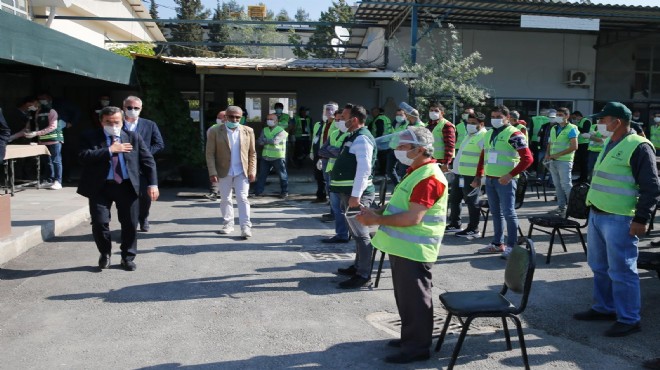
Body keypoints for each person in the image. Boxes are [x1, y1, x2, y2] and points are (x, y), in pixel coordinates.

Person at [357, 126, 447, 364]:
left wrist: (375, 219)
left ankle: (417, 347)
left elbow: (412, 218)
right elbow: (401, 206)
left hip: (414, 250)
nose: (397, 150)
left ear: (418, 150)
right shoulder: (416, 171)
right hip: (403, 248)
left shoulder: (429, 177)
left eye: (403, 146)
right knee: (407, 298)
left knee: (415, 300)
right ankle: (411, 337)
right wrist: (377, 211)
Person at [574, 102, 660, 337]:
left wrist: (641, 218)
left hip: (620, 218)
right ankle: (604, 307)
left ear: (617, 122)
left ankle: (629, 318)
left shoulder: (639, 146)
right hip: (598, 214)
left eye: (602, 120)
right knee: (599, 267)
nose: (598, 124)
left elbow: (651, 187)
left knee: (622, 270)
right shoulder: (610, 142)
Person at [77, 106, 159, 271]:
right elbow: (83, 157)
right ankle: (105, 253)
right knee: (100, 223)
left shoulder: (132, 137)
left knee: (129, 223)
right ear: (101, 122)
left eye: (116, 122)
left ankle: (127, 257)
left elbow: (148, 161)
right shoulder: (90, 137)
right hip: (100, 187)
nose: (113, 125)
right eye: (108, 122)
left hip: (126, 186)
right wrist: (109, 150)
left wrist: (153, 184)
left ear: (122, 121)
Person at [473, 105, 533, 259]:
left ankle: (512, 246)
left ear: (507, 118)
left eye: (499, 117)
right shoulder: (489, 133)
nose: (495, 119)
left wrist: (510, 175)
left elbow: (528, 158)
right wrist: (478, 175)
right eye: (493, 116)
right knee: (496, 213)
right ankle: (497, 243)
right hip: (491, 179)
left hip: (506, 181)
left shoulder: (514, 134)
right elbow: (483, 155)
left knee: (508, 213)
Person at [330, 104, 377, 289]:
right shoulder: (353, 136)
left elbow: (364, 170)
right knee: (356, 234)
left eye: (343, 117)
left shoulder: (362, 139)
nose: (340, 120)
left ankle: (363, 275)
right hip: (348, 193)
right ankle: (358, 267)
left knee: (361, 234)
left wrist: (356, 196)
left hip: (356, 194)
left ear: (354, 119)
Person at [206, 106, 257, 239]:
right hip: (223, 171)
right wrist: (212, 172)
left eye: (237, 117)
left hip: (242, 171)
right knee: (225, 198)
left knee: (243, 197)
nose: (234, 119)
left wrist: (252, 170)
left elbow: (252, 153)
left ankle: (246, 226)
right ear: (225, 117)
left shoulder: (248, 131)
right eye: (231, 116)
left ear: (241, 118)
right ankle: (228, 224)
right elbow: (209, 153)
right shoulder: (215, 131)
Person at [122, 96, 164, 232]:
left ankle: (143, 217)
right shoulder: (117, 124)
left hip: (142, 167)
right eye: (129, 107)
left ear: (141, 109)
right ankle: (129, 222)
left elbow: (159, 144)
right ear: (123, 108)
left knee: (145, 196)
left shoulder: (149, 124)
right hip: (122, 165)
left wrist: (144, 154)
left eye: (136, 108)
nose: (132, 110)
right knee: (125, 196)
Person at [447, 112, 487, 237]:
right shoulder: (469, 135)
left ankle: (473, 228)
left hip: (472, 176)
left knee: (472, 202)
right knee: (454, 199)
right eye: (468, 123)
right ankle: (455, 223)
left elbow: (485, 159)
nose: (469, 125)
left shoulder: (483, 136)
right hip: (460, 174)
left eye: (473, 123)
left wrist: (480, 177)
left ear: (481, 124)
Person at [319, 110, 350, 243]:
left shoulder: (351, 135)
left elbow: (343, 154)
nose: (338, 122)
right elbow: (322, 150)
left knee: (346, 208)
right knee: (336, 207)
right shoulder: (334, 133)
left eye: (341, 119)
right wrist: (334, 151)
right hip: (332, 172)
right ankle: (341, 234)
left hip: (344, 175)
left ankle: (350, 233)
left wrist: (331, 150)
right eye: (337, 120)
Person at [25, 93, 64, 190]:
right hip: (43, 141)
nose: (41, 101)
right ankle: (49, 179)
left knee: (56, 160)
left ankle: (58, 181)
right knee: (47, 162)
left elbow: (53, 127)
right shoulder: (37, 112)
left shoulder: (52, 111)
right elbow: (31, 127)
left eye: (43, 99)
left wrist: (36, 133)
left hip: (54, 140)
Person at [545, 107, 578, 217]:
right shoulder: (554, 128)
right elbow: (550, 143)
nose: (558, 117)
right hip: (553, 160)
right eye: (557, 115)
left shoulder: (572, 128)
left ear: (567, 116)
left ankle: (573, 208)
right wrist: (547, 154)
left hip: (564, 161)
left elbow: (574, 146)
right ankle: (561, 207)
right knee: (557, 185)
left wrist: (557, 155)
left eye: (560, 115)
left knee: (566, 185)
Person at [310, 102, 339, 206]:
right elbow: (314, 138)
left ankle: (332, 200)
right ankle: (321, 196)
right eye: (327, 110)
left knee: (329, 178)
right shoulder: (318, 124)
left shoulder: (336, 124)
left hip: (329, 154)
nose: (329, 112)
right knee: (318, 176)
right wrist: (312, 152)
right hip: (318, 152)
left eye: (332, 110)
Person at [254, 113, 289, 198]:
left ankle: (284, 192)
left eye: (271, 119)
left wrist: (265, 140)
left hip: (278, 157)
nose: (269, 121)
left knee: (282, 175)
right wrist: (268, 140)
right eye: (268, 119)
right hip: (265, 156)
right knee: (262, 175)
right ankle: (258, 192)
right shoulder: (265, 129)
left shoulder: (282, 131)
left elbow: (275, 141)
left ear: (277, 121)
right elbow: (259, 141)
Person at [428, 103, 455, 173]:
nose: (433, 112)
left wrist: (446, 163)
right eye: (431, 110)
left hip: (441, 161)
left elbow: (450, 145)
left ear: (442, 113)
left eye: (436, 111)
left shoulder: (447, 125)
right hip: (430, 159)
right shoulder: (428, 125)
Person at [205, 110, 226, 201]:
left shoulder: (231, 129)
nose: (218, 119)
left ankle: (226, 192)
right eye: (218, 117)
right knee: (215, 174)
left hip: (228, 157)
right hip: (216, 155)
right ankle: (214, 192)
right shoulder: (212, 128)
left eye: (220, 117)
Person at [571, 111, 592, 182]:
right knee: (580, 162)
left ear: (578, 116)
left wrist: (576, 126)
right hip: (579, 144)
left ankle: (584, 178)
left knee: (584, 162)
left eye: (574, 117)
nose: (574, 119)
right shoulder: (578, 122)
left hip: (584, 144)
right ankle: (581, 177)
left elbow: (585, 131)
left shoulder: (586, 121)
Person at [529, 108, 550, 174]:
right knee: (546, 155)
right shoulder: (549, 119)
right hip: (545, 141)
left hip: (534, 140)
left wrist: (530, 140)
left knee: (535, 155)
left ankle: (535, 170)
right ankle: (545, 171)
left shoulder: (534, 118)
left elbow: (531, 131)